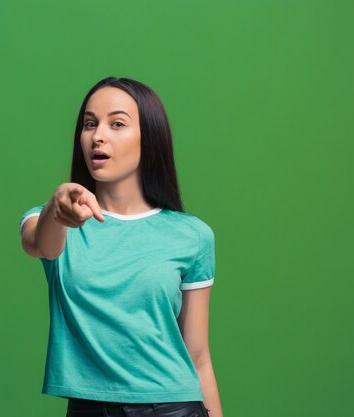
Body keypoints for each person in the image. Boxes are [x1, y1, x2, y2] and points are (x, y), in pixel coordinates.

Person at [19, 76, 223, 417]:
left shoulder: (193, 236)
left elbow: (198, 357)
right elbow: (40, 245)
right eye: (89, 124)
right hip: (89, 409)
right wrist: (57, 206)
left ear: (150, 138)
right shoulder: (53, 219)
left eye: (117, 124)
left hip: (175, 408)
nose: (98, 135)